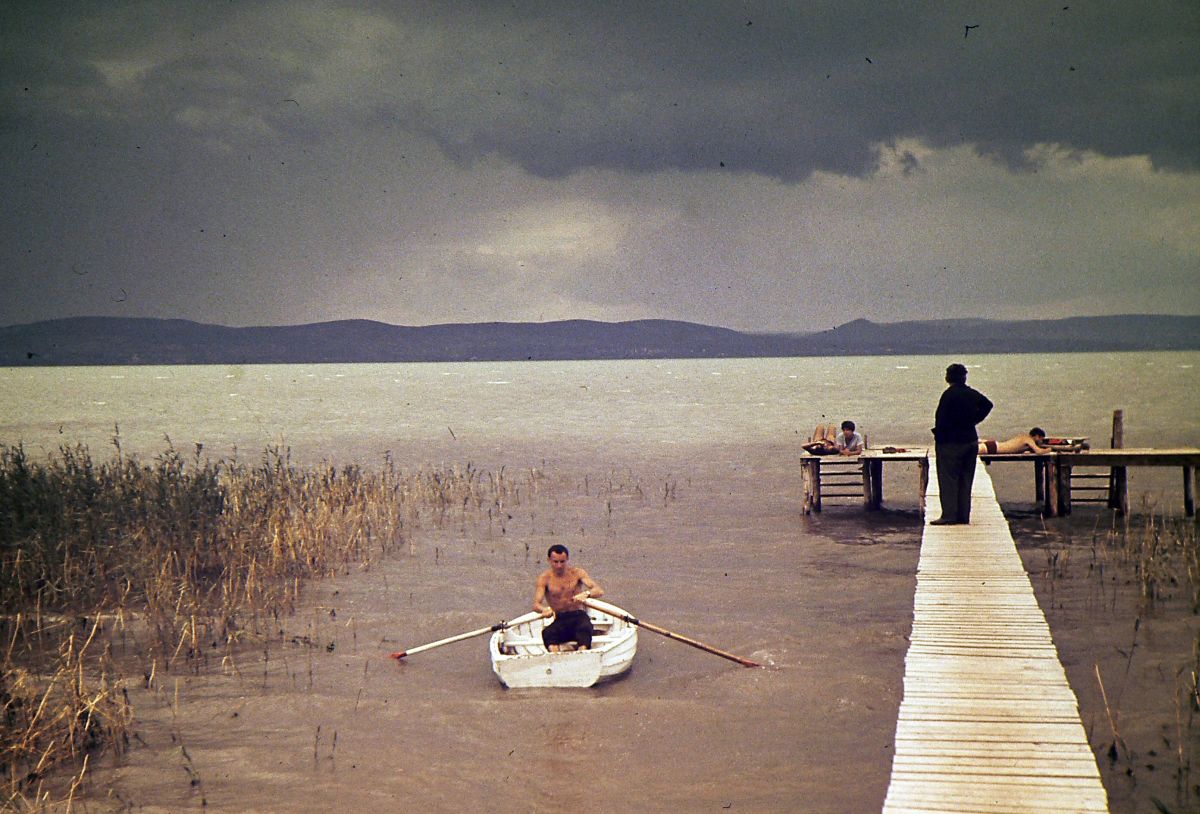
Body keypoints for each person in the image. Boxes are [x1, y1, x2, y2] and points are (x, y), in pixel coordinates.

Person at [931, 363, 993, 525]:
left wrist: (940, 435)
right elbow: (988, 405)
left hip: (950, 443)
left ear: (948, 377)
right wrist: (974, 420)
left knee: (949, 479)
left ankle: (949, 515)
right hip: (970, 440)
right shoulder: (970, 393)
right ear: (964, 377)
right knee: (966, 479)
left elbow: (942, 420)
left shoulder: (949, 395)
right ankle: (963, 515)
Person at [533, 544, 604, 652]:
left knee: (584, 628)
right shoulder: (544, 578)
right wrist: (544, 610)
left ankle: (582, 653)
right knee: (548, 633)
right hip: (560, 618)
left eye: (562, 562)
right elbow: (536, 604)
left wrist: (586, 594)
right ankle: (555, 657)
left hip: (578, 615)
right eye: (555, 562)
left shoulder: (577, 573)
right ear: (549, 560)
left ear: (567, 559)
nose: (559, 566)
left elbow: (599, 590)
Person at [978, 428, 1051, 456]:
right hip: (992, 448)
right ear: (1036, 436)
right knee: (967, 453)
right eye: (1041, 439)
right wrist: (1050, 449)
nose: (1041, 441)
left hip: (993, 445)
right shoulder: (1029, 440)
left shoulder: (1023, 437)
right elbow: (1039, 452)